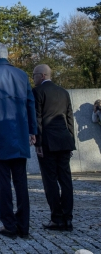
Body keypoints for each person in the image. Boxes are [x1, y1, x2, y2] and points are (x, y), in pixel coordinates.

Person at [0, 43, 37, 239]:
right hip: (19, 134)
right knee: (21, 182)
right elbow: (30, 104)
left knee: (2, 183)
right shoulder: (22, 75)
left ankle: (9, 225)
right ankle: (24, 226)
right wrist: (32, 131)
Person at [33, 64, 76, 231]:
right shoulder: (64, 92)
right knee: (66, 180)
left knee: (49, 180)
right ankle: (68, 218)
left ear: (43, 75)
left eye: (35, 75)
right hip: (64, 141)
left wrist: (38, 143)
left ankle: (56, 218)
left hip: (48, 143)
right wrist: (70, 141)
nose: (33, 78)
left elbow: (37, 119)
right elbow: (69, 118)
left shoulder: (37, 92)